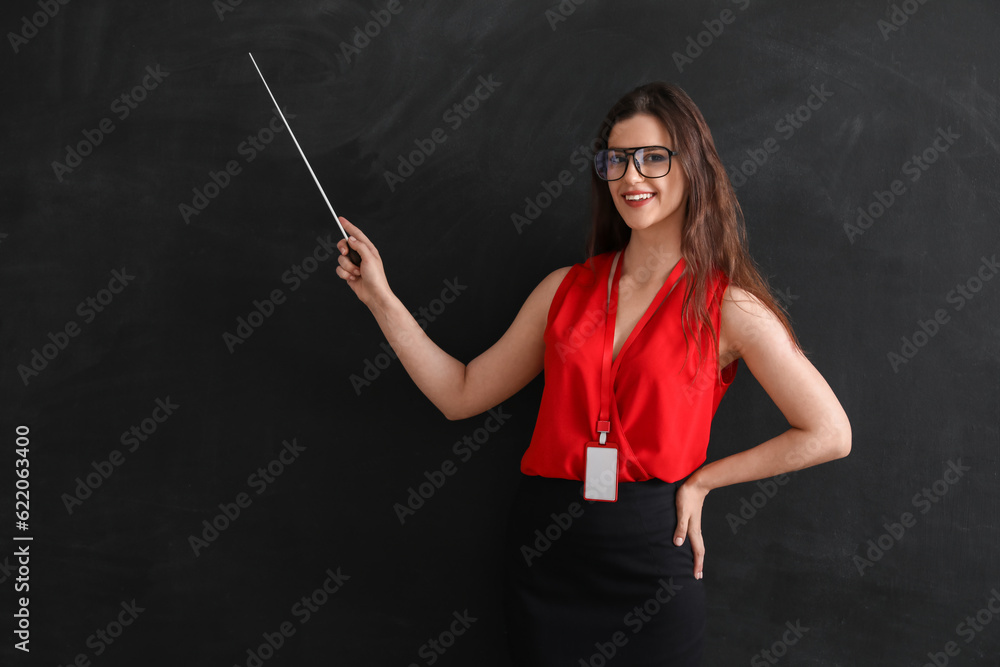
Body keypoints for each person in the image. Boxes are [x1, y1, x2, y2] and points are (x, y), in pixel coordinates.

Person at [333, 82, 851, 666]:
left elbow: (829, 433)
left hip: (652, 550)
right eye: (617, 160)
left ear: (695, 167)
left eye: (654, 157)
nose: (633, 177)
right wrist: (380, 299)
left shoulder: (729, 307)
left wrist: (706, 481)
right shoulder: (563, 289)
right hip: (547, 550)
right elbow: (460, 394)